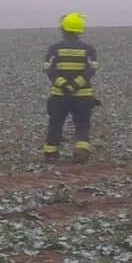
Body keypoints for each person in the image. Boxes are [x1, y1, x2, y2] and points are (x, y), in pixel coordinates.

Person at [42, 13, 99, 163]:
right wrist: (75, 85)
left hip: (59, 95)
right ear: (80, 30)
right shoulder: (89, 50)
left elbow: (49, 69)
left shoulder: (54, 49)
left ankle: (51, 153)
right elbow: (90, 70)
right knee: (82, 123)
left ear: (63, 29)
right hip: (83, 96)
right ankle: (81, 152)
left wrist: (64, 85)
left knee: (55, 123)